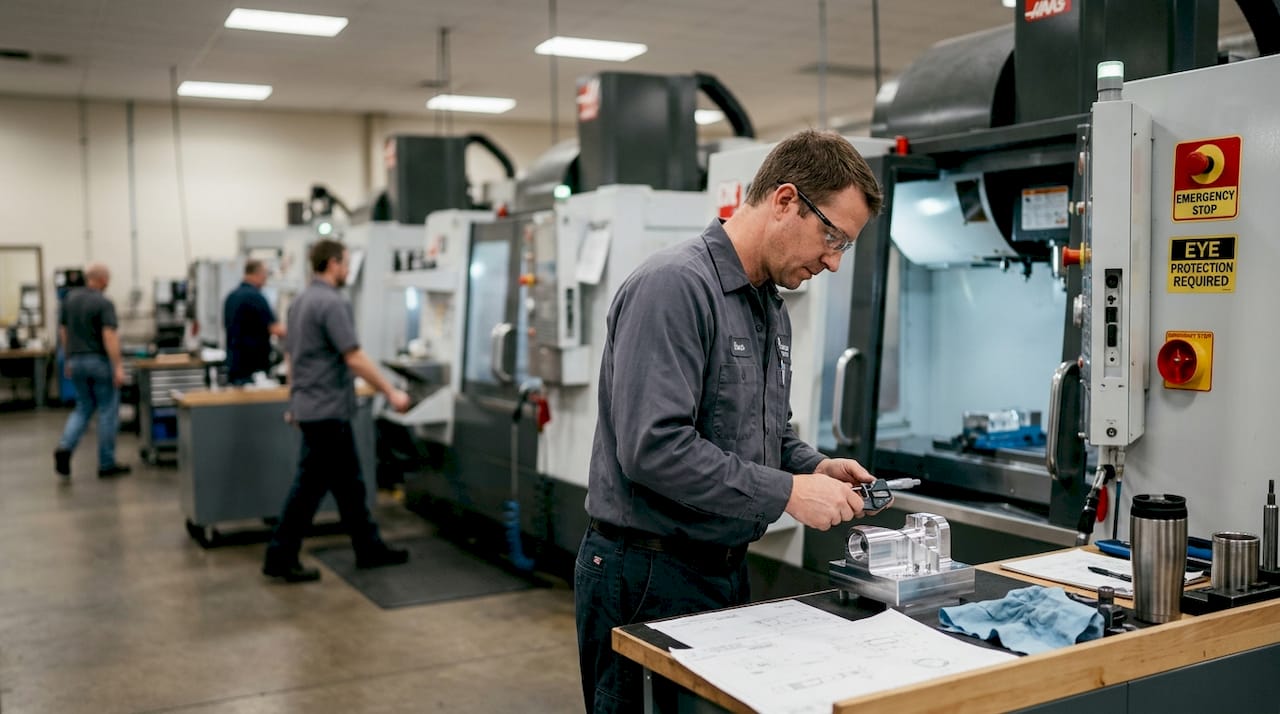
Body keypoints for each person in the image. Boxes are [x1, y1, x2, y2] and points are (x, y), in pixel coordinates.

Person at [574, 130, 885, 712]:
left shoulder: (768, 305)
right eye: (832, 236)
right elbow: (655, 449)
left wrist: (816, 467)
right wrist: (790, 492)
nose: (834, 262)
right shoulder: (674, 287)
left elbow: (765, 434)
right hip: (644, 576)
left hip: (722, 570)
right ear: (786, 200)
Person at [261, 239, 414, 583]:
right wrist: (391, 392)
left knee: (349, 486)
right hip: (327, 412)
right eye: (345, 264)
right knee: (309, 489)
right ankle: (280, 556)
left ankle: (368, 548)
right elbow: (354, 356)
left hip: (313, 408)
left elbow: (295, 359)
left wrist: (295, 402)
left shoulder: (299, 302)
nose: (347, 270)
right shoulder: (332, 303)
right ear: (332, 264)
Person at [53, 262, 131, 480]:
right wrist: (118, 367)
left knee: (82, 408)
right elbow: (109, 336)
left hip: (76, 361)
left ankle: (65, 448)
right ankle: (106, 464)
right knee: (107, 412)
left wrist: (68, 360)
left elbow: (63, 332)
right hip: (98, 362)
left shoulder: (68, 300)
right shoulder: (103, 302)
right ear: (103, 280)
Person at [224, 259, 285, 385]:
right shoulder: (256, 297)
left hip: (234, 364)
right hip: (253, 370)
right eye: (265, 274)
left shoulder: (231, 297)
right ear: (257, 274)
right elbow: (276, 329)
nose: (266, 278)